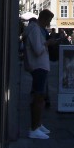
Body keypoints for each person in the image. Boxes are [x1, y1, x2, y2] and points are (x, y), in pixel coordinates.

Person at [22, 9, 53, 139]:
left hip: (41, 66)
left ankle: (38, 124)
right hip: (38, 66)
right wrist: (48, 43)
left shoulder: (36, 29)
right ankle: (34, 128)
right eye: (48, 21)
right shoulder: (35, 30)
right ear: (44, 19)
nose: (48, 24)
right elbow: (38, 49)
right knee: (38, 97)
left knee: (40, 97)